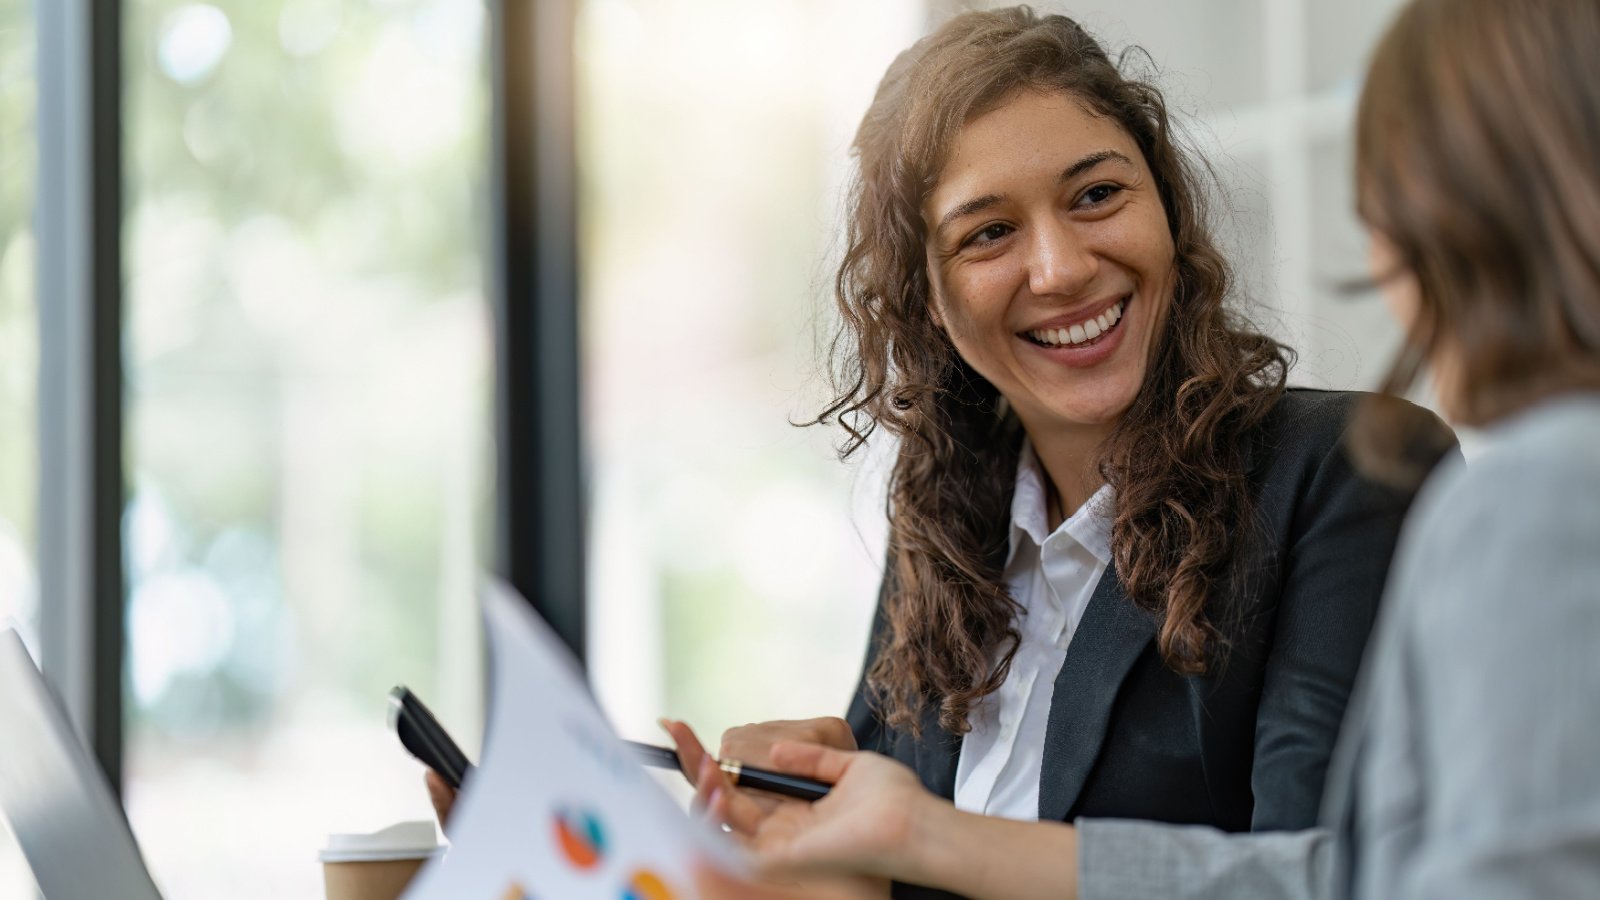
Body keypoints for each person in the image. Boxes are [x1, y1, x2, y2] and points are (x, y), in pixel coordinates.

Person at [688, 0, 1600, 897]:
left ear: (1166, 208)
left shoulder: (1347, 469)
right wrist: (835, 832)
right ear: (925, 297)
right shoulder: (943, 520)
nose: (1061, 268)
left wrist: (922, 835)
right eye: (989, 233)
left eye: (1097, 195)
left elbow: (1334, 872)